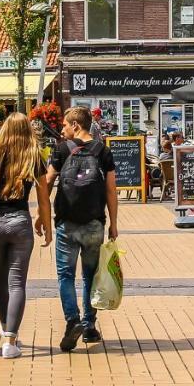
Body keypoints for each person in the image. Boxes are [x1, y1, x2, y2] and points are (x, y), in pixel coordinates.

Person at [0, 113, 52, 359]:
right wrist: (46, 225)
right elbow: (43, 198)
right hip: (20, 222)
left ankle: (7, 327)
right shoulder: (33, 157)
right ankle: (10, 340)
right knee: (17, 283)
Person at [47, 106, 119, 352]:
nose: (62, 129)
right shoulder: (103, 151)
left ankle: (72, 320)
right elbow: (111, 190)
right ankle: (89, 325)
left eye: (65, 125)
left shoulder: (62, 149)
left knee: (65, 275)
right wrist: (114, 224)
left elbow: (46, 182)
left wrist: (42, 215)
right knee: (90, 275)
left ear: (76, 125)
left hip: (67, 222)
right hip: (94, 223)